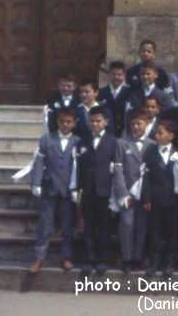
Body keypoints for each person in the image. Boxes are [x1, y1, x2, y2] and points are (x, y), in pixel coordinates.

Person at [29, 108, 80, 273]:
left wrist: (77, 187)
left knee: (67, 225)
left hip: (67, 189)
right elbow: (39, 161)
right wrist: (35, 183)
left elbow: (79, 167)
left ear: (74, 123)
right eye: (62, 121)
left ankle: (66, 257)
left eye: (69, 122)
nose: (65, 125)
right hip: (49, 187)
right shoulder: (46, 139)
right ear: (57, 122)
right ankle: (39, 257)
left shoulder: (78, 141)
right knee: (45, 224)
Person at [111, 110, 156, 274]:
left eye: (139, 124)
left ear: (147, 125)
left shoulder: (152, 144)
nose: (136, 127)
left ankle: (138, 257)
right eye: (133, 124)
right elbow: (118, 169)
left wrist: (148, 195)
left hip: (144, 193)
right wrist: (122, 193)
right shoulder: (122, 143)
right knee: (127, 224)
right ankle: (127, 258)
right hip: (128, 192)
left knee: (142, 225)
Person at [76, 106, 118, 276]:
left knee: (104, 226)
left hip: (105, 190)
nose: (95, 124)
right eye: (92, 121)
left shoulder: (113, 142)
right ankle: (88, 259)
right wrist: (77, 188)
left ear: (106, 122)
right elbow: (77, 166)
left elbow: (116, 168)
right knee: (89, 226)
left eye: (98, 121)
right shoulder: (82, 142)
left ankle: (102, 259)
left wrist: (115, 193)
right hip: (87, 190)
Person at [141, 120, 178, 277]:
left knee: (171, 232)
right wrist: (146, 198)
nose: (157, 135)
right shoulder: (150, 152)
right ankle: (155, 262)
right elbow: (145, 177)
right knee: (155, 232)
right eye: (156, 133)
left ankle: (169, 262)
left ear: (171, 136)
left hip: (173, 199)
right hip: (155, 199)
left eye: (161, 133)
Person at [98, 61, 132, 137]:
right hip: (106, 134)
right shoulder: (101, 93)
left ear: (124, 75)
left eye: (119, 75)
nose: (116, 77)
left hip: (125, 134)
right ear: (109, 75)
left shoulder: (130, 93)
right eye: (113, 74)